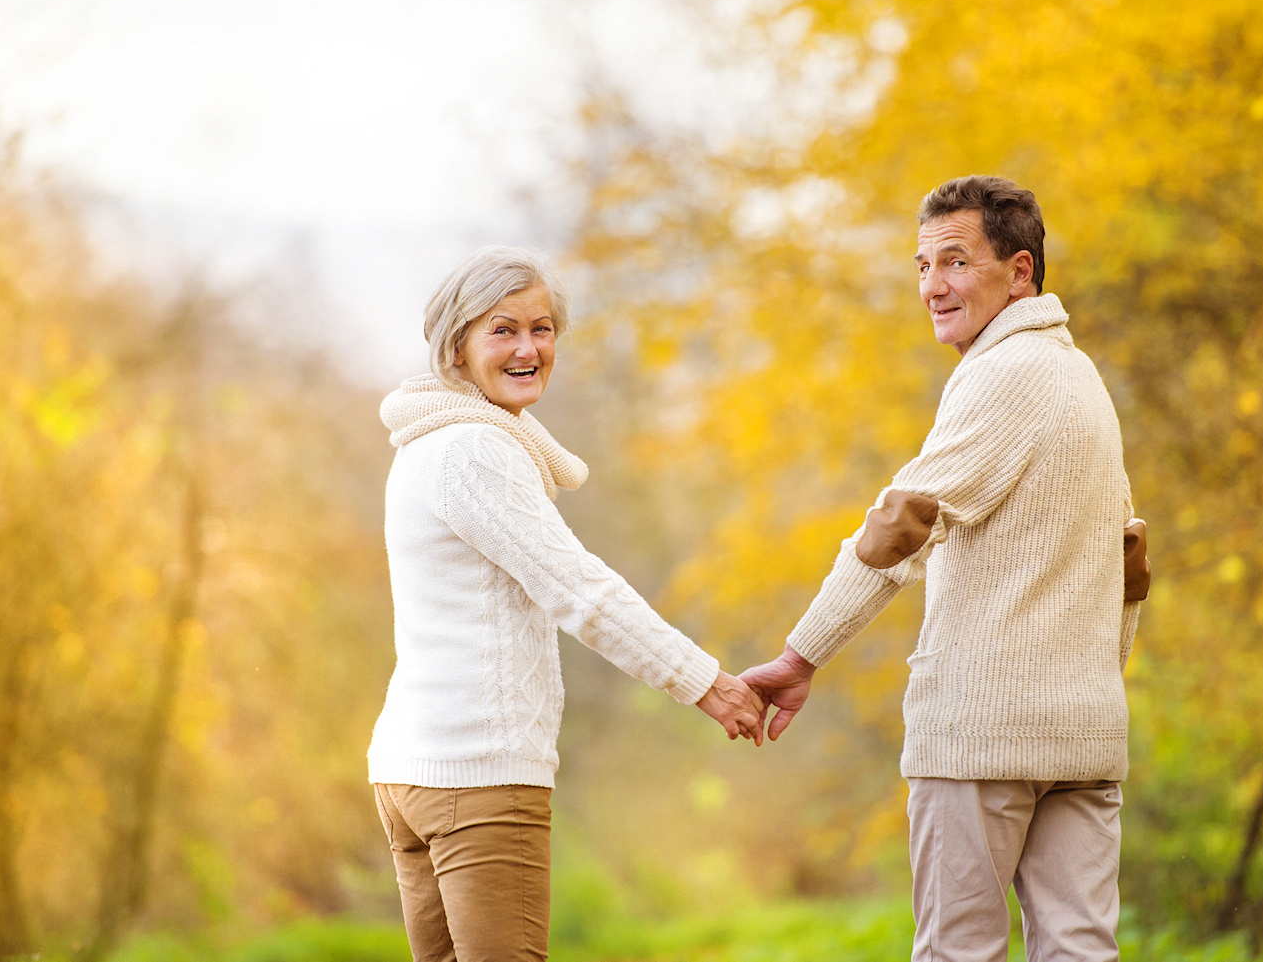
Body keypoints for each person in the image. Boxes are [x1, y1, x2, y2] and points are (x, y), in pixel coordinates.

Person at [741, 176, 1152, 962]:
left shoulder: (1003, 374)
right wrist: (1096, 681)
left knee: (958, 952)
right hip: (1084, 736)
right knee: (1082, 951)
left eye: (955, 261)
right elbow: (1129, 562)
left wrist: (801, 654)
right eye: (923, 265)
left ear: (1020, 271)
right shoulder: (1080, 378)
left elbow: (902, 524)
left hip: (980, 740)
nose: (932, 286)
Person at [369, 246, 764, 962]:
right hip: (478, 769)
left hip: (415, 767)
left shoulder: (425, 442)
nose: (528, 348)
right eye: (503, 329)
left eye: (543, 328)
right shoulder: (474, 452)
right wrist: (704, 680)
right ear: (456, 345)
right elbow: (580, 590)